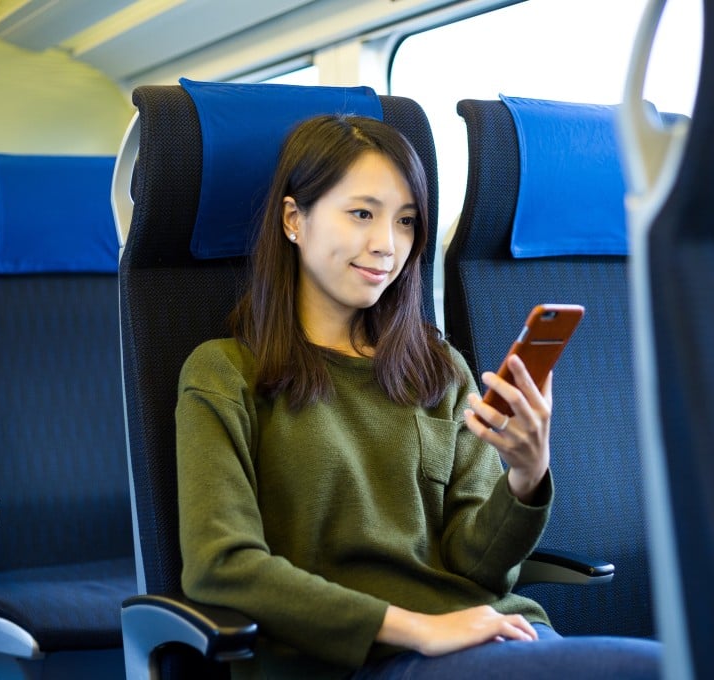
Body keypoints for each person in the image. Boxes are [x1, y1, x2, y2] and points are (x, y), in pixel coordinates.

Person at [175, 114, 660, 678]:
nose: (387, 245)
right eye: (362, 213)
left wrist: (527, 476)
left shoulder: (436, 369)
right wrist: (419, 629)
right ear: (293, 220)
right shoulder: (226, 372)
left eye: (405, 221)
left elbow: (480, 571)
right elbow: (221, 565)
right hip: (363, 657)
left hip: (493, 633)